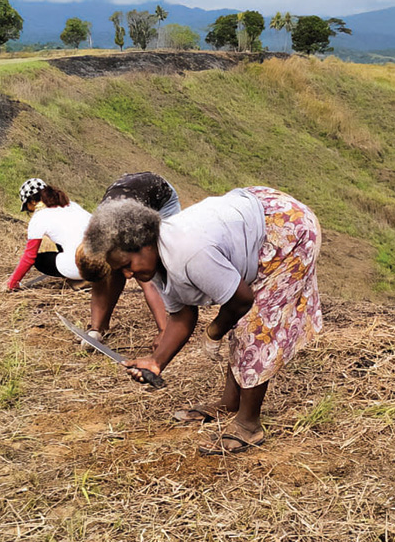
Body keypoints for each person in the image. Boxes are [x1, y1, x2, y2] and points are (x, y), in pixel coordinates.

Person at [78, 186, 322, 455]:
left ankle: (249, 424)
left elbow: (241, 299)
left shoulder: (189, 253)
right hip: (254, 215)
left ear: (145, 243)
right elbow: (182, 314)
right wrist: (157, 362)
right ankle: (229, 403)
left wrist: (214, 331)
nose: (126, 275)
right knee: (241, 325)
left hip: (288, 228)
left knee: (254, 327)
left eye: (127, 264)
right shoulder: (156, 262)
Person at [75, 172, 181, 345]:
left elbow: (149, 280)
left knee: (153, 264)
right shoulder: (96, 239)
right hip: (128, 198)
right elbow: (100, 285)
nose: (127, 274)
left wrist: (164, 333)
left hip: (161, 198)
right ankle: (100, 327)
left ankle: (169, 324)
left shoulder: (126, 236)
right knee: (116, 272)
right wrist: (94, 330)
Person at [3, 178, 91, 292]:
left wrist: (12, 283)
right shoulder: (71, 205)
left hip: (82, 267)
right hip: (104, 262)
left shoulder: (38, 218)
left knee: (39, 260)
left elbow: (29, 257)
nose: (29, 211)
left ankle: (81, 280)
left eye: (27, 207)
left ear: (33, 201)